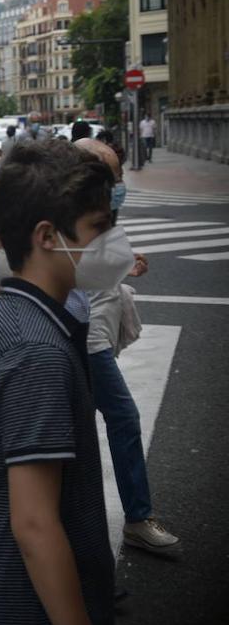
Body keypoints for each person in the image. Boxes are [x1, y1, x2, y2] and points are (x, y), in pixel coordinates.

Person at [0, 140, 116, 625]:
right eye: (99, 230)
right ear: (47, 235)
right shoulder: (34, 349)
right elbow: (35, 523)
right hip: (22, 608)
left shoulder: (17, 314)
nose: (112, 244)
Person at [72, 137, 180, 556]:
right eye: (113, 173)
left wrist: (122, 262)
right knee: (121, 417)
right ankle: (132, 519)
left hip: (92, 328)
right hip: (83, 335)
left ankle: (93, 533)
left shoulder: (97, 211)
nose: (120, 181)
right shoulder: (68, 213)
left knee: (86, 430)